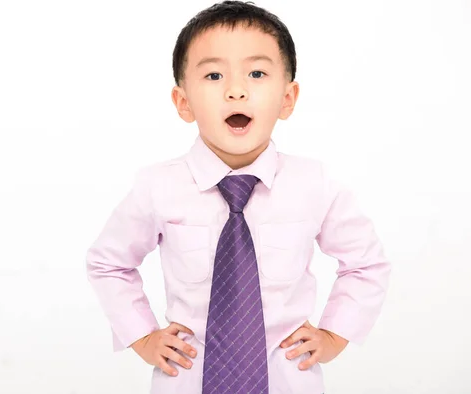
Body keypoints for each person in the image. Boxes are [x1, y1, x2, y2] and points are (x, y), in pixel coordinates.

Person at [85, 1, 391, 393]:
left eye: (257, 73)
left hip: (288, 380)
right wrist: (142, 337)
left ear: (287, 98)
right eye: (213, 75)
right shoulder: (157, 187)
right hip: (187, 378)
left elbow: (366, 263)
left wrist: (335, 333)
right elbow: (109, 263)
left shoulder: (315, 183)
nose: (235, 91)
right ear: (183, 103)